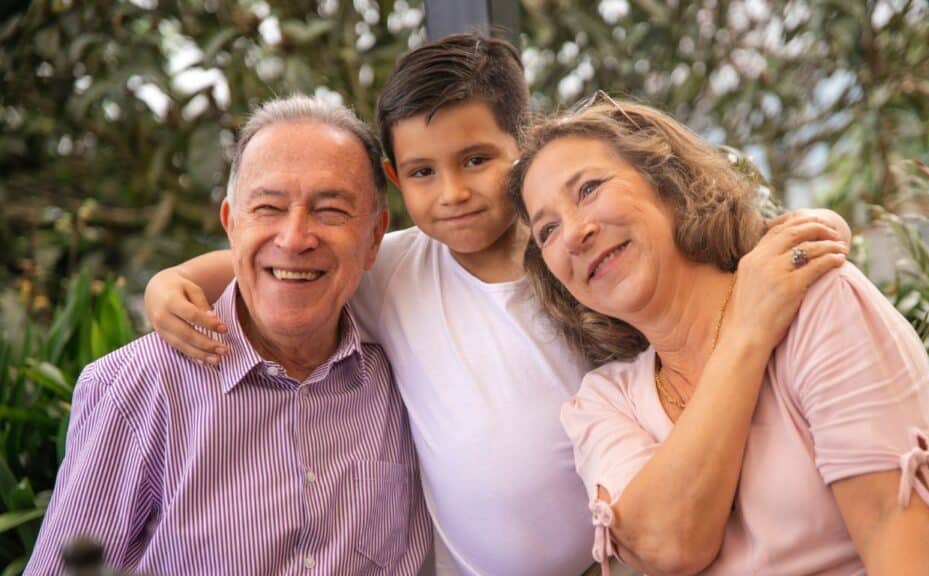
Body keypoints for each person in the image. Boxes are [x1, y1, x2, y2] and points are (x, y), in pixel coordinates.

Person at [142, 35, 852, 575]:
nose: (451, 192)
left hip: (639, 546)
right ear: (394, 179)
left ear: (524, 144)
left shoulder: (584, 259)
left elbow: (723, 253)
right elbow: (280, 256)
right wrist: (173, 280)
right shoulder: (390, 267)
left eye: (476, 159)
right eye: (423, 173)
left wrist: (809, 237)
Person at [505, 96, 929, 575]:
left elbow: (899, 536)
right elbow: (666, 547)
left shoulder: (820, 304)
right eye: (547, 230)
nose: (574, 234)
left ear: (667, 182)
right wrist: (746, 334)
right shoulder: (604, 401)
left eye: (590, 188)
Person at [26, 95, 432, 575]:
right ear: (231, 225)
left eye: (331, 211)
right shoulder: (138, 388)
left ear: (374, 238)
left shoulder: (405, 378)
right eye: (268, 207)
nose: (295, 237)